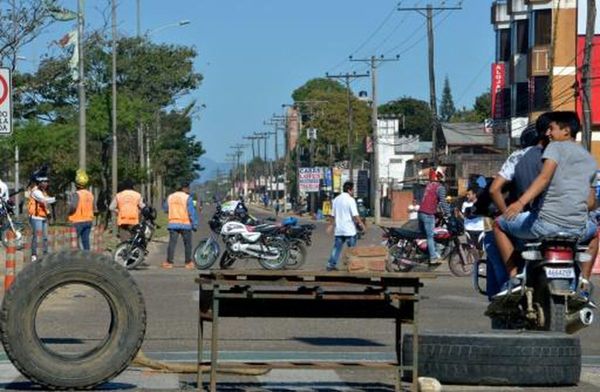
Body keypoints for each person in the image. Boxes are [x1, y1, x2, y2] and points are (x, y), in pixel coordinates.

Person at [495, 111, 598, 297]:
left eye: (552, 128)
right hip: (578, 229)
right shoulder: (588, 158)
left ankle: (514, 278)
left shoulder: (554, 148)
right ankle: (583, 282)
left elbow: (543, 178)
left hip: (545, 225)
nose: (547, 133)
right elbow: (591, 202)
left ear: (566, 131)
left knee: (499, 224)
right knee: (595, 233)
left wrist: (520, 203)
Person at [326, 181, 365, 271]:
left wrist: (331, 225)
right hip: (349, 230)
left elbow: (332, 215)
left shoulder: (336, 199)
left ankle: (330, 265)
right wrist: (361, 224)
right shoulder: (350, 200)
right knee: (352, 249)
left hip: (339, 229)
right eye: (352, 190)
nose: (353, 191)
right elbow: (355, 215)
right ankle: (352, 265)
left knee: (336, 248)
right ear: (349, 190)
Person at [417, 167, 451, 264]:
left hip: (420, 213)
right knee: (430, 236)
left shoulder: (429, 185)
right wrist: (449, 214)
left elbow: (431, 200)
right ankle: (433, 257)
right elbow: (444, 203)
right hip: (428, 214)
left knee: (424, 235)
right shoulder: (440, 188)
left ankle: (426, 253)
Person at [163, 182, 199, 269]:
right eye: (188, 188)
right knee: (187, 244)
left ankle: (169, 262)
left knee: (172, 243)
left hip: (173, 224)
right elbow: (191, 213)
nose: (189, 190)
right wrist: (194, 224)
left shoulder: (170, 197)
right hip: (185, 224)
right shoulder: (187, 198)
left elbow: (165, 208)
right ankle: (188, 263)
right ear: (184, 188)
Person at [28, 175, 56, 261]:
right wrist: (55, 198)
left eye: (47, 182)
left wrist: (48, 213)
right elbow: (44, 200)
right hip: (36, 217)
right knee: (37, 236)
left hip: (43, 217)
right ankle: (34, 255)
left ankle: (45, 253)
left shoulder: (43, 191)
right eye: (44, 182)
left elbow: (44, 205)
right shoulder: (36, 192)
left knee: (45, 237)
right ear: (39, 183)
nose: (46, 184)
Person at [68, 170, 95, 251]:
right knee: (85, 241)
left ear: (76, 184)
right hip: (88, 220)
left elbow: (73, 206)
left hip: (77, 221)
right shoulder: (90, 194)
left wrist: (69, 213)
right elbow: (94, 207)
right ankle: (87, 258)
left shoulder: (77, 194)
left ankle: (77, 259)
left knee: (75, 242)